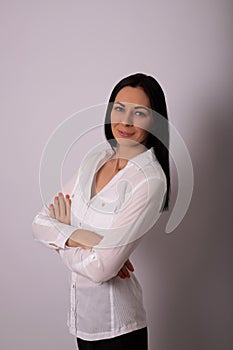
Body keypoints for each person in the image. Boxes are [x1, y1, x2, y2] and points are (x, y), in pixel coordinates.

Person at [32, 73, 170, 350]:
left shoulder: (150, 180)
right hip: (81, 320)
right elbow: (38, 223)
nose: (125, 122)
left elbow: (101, 269)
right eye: (119, 108)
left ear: (155, 120)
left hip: (118, 328)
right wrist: (84, 238)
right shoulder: (95, 158)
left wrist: (61, 238)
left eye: (139, 113)